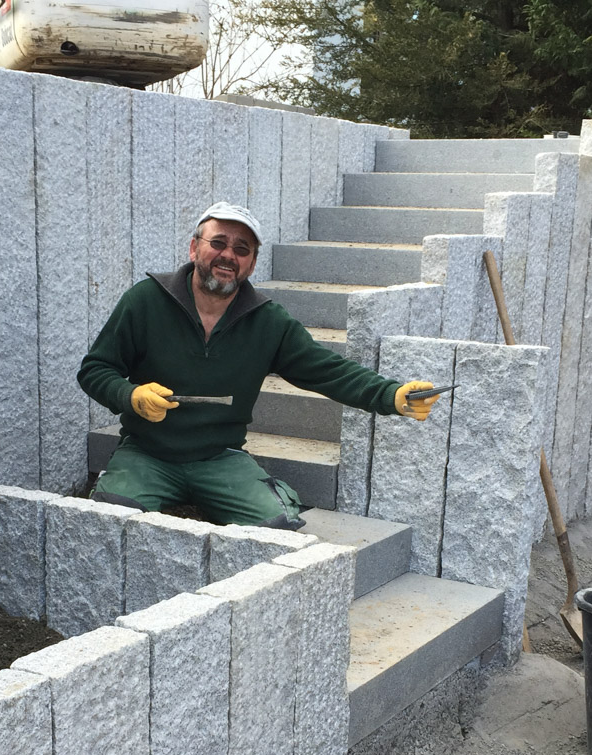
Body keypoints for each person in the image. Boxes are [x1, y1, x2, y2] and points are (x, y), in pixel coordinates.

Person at [77, 201, 442, 528]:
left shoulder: (268, 322)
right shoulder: (145, 301)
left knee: (277, 523)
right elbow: (95, 369)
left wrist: (391, 395)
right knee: (110, 517)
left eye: (242, 249)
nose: (228, 255)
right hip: (146, 454)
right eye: (218, 242)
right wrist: (130, 396)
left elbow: (327, 370)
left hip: (219, 458)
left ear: (251, 263)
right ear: (194, 247)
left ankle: (260, 492)